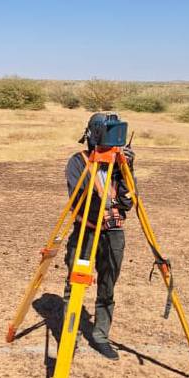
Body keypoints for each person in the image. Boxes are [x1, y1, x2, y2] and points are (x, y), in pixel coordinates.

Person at [62, 113, 135, 360]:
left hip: (113, 234)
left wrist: (127, 170)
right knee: (76, 283)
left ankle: (100, 335)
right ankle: (69, 336)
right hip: (87, 232)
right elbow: (79, 202)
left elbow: (128, 202)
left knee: (108, 285)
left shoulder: (119, 165)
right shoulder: (78, 162)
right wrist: (106, 209)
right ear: (94, 135)